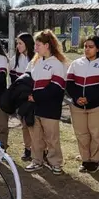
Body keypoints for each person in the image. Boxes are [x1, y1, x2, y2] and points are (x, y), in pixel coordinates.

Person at [66, 35, 99, 173]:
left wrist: (89, 98)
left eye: (91, 47)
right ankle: (85, 159)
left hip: (98, 106)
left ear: (98, 48)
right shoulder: (76, 63)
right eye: (85, 46)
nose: (87, 49)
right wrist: (77, 97)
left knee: (96, 134)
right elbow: (69, 84)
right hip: (78, 106)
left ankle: (94, 160)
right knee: (81, 134)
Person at [24, 30, 67, 175]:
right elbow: (26, 79)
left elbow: (56, 88)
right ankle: (37, 160)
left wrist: (36, 96)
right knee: (36, 136)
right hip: (34, 106)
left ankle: (55, 163)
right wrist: (28, 94)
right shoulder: (34, 61)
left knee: (51, 137)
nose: (35, 48)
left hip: (50, 107)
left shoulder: (57, 64)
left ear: (47, 45)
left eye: (38, 45)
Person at [11, 33, 35, 162]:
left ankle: (42, 150)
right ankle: (28, 149)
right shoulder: (15, 59)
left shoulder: (36, 58)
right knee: (25, 124)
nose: (18, 46)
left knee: (35, 124)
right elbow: (13, 80)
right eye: (17, 43)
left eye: (20, 43)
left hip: (34, 97)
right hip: (21, 99)